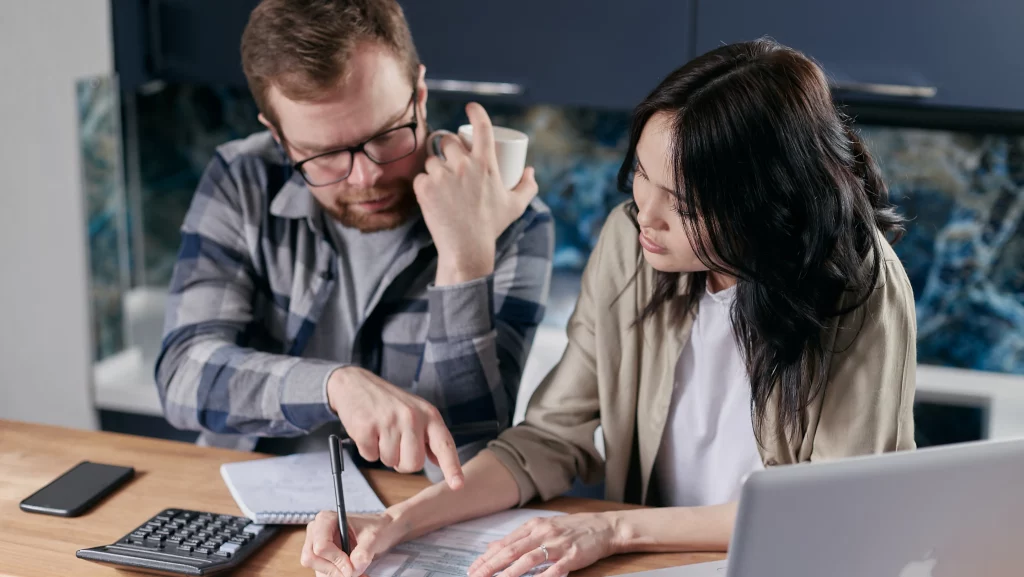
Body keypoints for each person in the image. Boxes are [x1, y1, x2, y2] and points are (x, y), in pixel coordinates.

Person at [300, 38, 918, 577]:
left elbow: (831, 510)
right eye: (641, 175)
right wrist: (398, 520)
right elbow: (547, 439)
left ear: (765, 205)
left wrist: (616, 530)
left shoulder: (862, 289)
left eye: (685, 204)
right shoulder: (633, 244)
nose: (644, 213)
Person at [154, 0, 554, 488]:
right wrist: (334, 386)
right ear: (278, 138)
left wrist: (463, 261)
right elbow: (182, 376)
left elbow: (469, 464)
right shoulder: (243, 180)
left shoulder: (513, 219)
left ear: (420, 96)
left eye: (387, 135)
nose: (367, 177)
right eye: (322, 154)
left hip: (412, 520)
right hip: (246, 499)